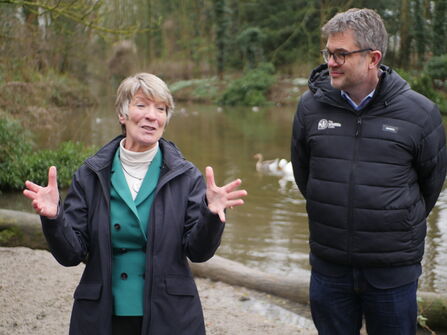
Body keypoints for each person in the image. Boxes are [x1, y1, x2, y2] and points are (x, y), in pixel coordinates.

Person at [23, 72, 247, 335]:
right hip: (102, 314)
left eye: (161, 108)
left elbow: (198, 252)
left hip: (170, 314)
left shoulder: (186, 176)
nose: (152, 115)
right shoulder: (91, 174)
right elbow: (70, 255)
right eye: (141, 105)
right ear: (122, 114)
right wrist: (54, 218)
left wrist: (211, 215)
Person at [291, 8, 446, 335]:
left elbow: (430, 187)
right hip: (329, 268)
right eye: (328, 52)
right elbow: (305, 176)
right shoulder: (310, 108)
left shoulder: (421, 114)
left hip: (392, 273)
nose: (330, 62)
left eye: (341, 54)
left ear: (373, 58)